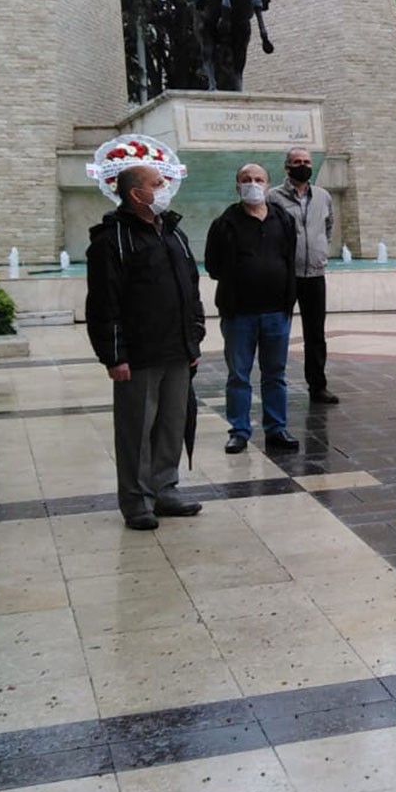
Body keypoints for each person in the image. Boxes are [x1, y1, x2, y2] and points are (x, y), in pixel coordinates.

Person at [87, 163, 206, 530]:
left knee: (172, 423)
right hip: (138, 353)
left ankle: (165, 488)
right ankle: (137, 500)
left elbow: (190, 284)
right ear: (136, 194)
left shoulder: (173, 231)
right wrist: (114, 354)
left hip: (177, 348)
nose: (165, 187)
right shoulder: (113, 239)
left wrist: (195, 334)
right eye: (157, 183)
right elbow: (104, 302)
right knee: (136, 429)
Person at [205, 163, 300, 455]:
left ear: (268, 185)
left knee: (275, 373)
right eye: (246, 180)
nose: (253, 184)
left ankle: (276, 428)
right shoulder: (224, 224)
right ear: (237, 186)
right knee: (239, 375)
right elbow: (213, 266)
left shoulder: (282, 219)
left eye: (258, 179)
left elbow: (289, 258)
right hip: (239, 314)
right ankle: (239, 430)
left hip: (276, 312)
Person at [269, 145, 338, 404]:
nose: (303, 165)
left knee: (316, 334)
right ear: (287, 167)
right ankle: (275, 385)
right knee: (277, 331)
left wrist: (321, 251)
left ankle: (318, 386)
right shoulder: (273, 197)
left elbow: (328, 227)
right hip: (285, 276)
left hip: (315, 275)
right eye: (297, 162)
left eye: (306, 161)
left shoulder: (323, 196)